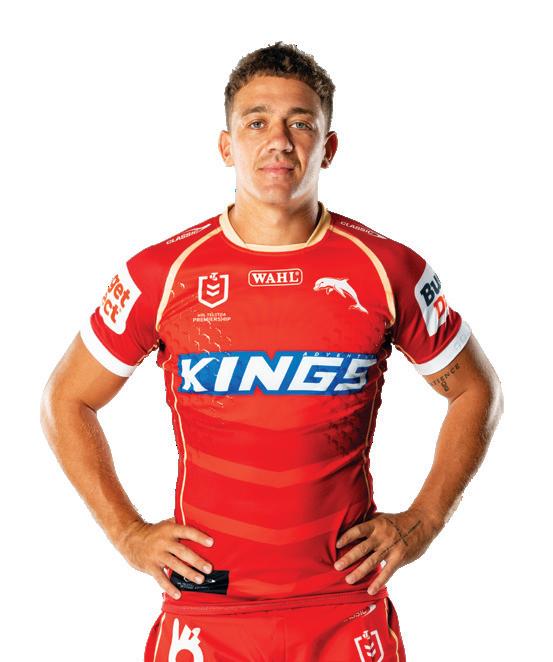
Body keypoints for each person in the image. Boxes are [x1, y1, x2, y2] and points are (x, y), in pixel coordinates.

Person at [40, 41, 504, 661]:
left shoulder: (385, 268)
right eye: (256, 122)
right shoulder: (164, 273)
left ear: (328, 147)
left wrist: (423, 520)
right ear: (226, 145)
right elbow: (66, 400)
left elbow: (476, 390)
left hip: (343, 603)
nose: (278, 141)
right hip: (207, 606)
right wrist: (128, 533)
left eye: (300, 123)